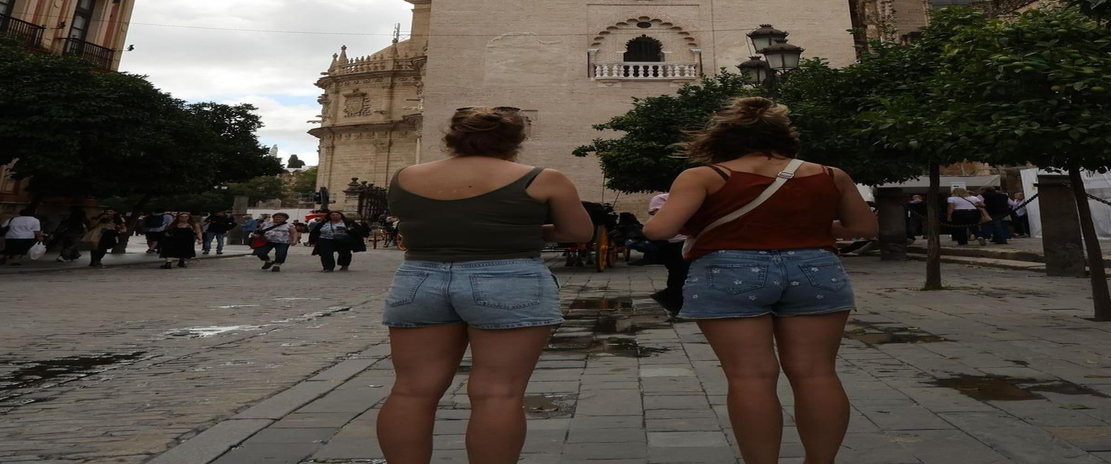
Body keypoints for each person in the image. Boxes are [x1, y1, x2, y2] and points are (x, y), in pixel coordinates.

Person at [644, 96, 878, 464]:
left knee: (749, 377)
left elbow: (660, 230)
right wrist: (805, 226)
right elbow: (864, 227)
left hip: (731, 269)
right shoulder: (830, 174)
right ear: (786, 136)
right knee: (816, 373)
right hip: (814, 268)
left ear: (721, 139)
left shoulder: (705, 176)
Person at [376, 106, 591, 464]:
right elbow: (578, 232)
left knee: (412, 391)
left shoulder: (406, 176)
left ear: (452, 138)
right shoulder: (543, 178)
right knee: (498, 393)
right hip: (509, 278)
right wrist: (521, 230)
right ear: (516, 141)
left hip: (420, 278)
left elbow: (415, 224)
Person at [646, 191, 690, 314]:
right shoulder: (661, 199)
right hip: (673, 243)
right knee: (679, 272)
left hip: (691, 240)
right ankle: (674, 301)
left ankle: (675, 300)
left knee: (685, 272)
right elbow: (664, 219)